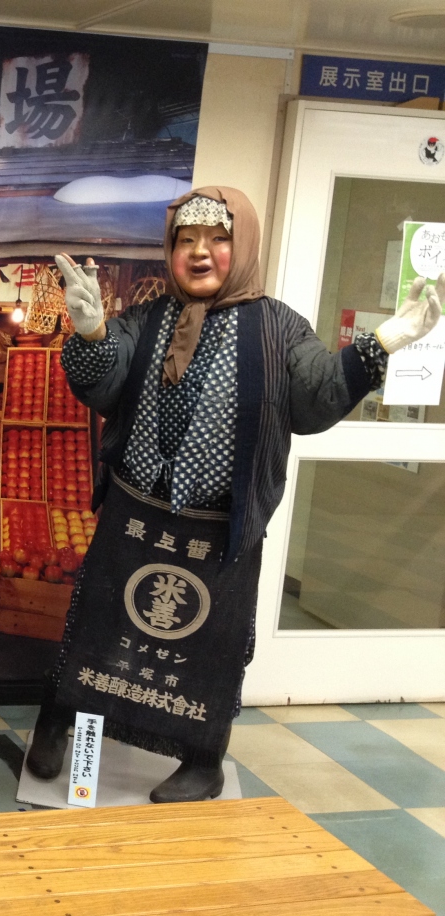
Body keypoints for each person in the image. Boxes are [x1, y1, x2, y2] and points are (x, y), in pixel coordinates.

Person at [25, 186, 440, 803]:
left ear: (241, 247)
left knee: (211, 643)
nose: (200, 252)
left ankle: (203, 760)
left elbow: (316, 398)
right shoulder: (147, 318)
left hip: (220, 529)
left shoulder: (280, 328)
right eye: (186, 240)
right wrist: (92, 335)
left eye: (218, 239)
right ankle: (57, 725)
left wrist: (384, 342)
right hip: (135, 515)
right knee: (99, 620)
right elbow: (104, 387)